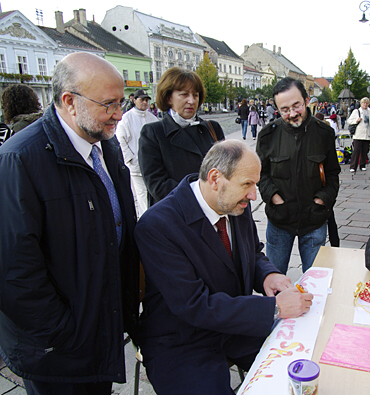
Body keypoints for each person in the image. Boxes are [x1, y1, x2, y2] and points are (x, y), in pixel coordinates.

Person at [0, 52, 140, 395]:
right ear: (69, 102)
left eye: (121, 102)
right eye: (109, 104)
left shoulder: (105, 146)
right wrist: (65, 332)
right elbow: (14, 272)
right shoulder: (19, 160)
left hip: (101, 329)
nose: (119, 115)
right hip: (59, 353)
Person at [135, 140, 313, 395]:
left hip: (233, 324)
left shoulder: (235, 202)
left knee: (304, 361)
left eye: (255, 184)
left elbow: (252, 252)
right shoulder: (157, 225)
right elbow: (194, 305)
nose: (254, 195)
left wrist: (267, 274)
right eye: (247, 184)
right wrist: (274, 308)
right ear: (215, 178)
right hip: (181, 339)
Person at [256, 77, 340, 274]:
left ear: (307, 100)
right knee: (275, 281)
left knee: (315, 283)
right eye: (284, 109)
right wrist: (274, 197)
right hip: (280, 221)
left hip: (314, 222)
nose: (292, 114)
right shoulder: (268, 135)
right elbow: (261, 174)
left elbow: (333, 174)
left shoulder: (324, 133)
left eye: (296, 106)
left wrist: (322, 200)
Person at [139, 67, 224, 206]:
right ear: (168, 98)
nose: (191, 101)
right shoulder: (153, 133)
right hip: (175, 213)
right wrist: (200, 196)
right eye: (184, 94)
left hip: (211, 213)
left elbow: (225, 170)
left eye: (195, 95)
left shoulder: (212, 128)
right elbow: (157, 184)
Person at [116, 89, 158, 218]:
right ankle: (146, 220)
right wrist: (130, 159)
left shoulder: (152, 118)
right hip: (136, 166)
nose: (145, 102)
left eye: (146, 100)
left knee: (153, 193)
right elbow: (120, 140)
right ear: (134, 100)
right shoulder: (127, 118)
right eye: (142, 100)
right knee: (141, 195)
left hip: (152, 165)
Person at [347, 97, 370, 172]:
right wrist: (356, 120)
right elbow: (349, 120)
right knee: (356, 150)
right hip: (358, 134)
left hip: (367, 135)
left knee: (365, 151)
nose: (365, 104)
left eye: (366, 103)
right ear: (361, 104)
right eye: (363, 103)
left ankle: (363, 165)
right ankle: (353, 166)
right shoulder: (356, 111)